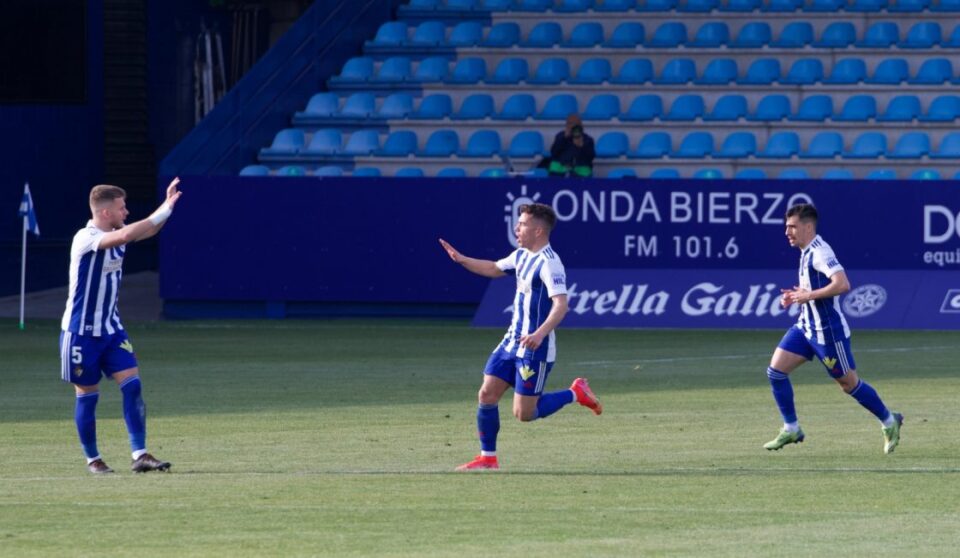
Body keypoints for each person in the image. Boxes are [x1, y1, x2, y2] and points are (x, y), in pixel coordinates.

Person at [439, 202, 602, 471]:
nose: (517, 228)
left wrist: (539, 334)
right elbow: (493, 268)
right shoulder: (521, 256)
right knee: (487, 394)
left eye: (523, 224)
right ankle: (488, 458)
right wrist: (463, 259)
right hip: (511, 341)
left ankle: (575, 393)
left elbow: (561, 305)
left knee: (524, 414)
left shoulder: (550, 264)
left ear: (538, 231)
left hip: (535, 347)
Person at [60, 177, 183, 474]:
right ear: (105, 213)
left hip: (112, 330)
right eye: (121, 207)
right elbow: (127, 235)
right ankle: (93, 459)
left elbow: (149, 229)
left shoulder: (118, 231)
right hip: (81, 333)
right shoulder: (86, 238)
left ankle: (139, 454)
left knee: (133, 386)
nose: (126, 211)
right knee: (88, 396)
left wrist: (167, 208)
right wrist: (161, 209)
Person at [764, 203, 902, 454]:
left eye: (792, 227)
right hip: (806, 327)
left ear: (808, 227)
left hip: (828, 333)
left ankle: (890, 420)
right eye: (786, 227)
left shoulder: (820, 252)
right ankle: (791, 428)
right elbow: (813, 287)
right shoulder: (805, 250)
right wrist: (796, 296)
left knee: (848, 384)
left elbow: (842, 284)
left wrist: (809, 296)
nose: (787, 232)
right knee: (775, 372)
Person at [546, 113, 595, 178]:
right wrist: (564, 138)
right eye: (570, 123)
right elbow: (553, 152)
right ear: (566, 125)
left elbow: (590, 158)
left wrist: (582, 147)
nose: (573, 126)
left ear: (581, 126)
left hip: (579, 172)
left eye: (575, 124)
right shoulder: (560, 136)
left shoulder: (587, 139)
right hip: (560, 171)